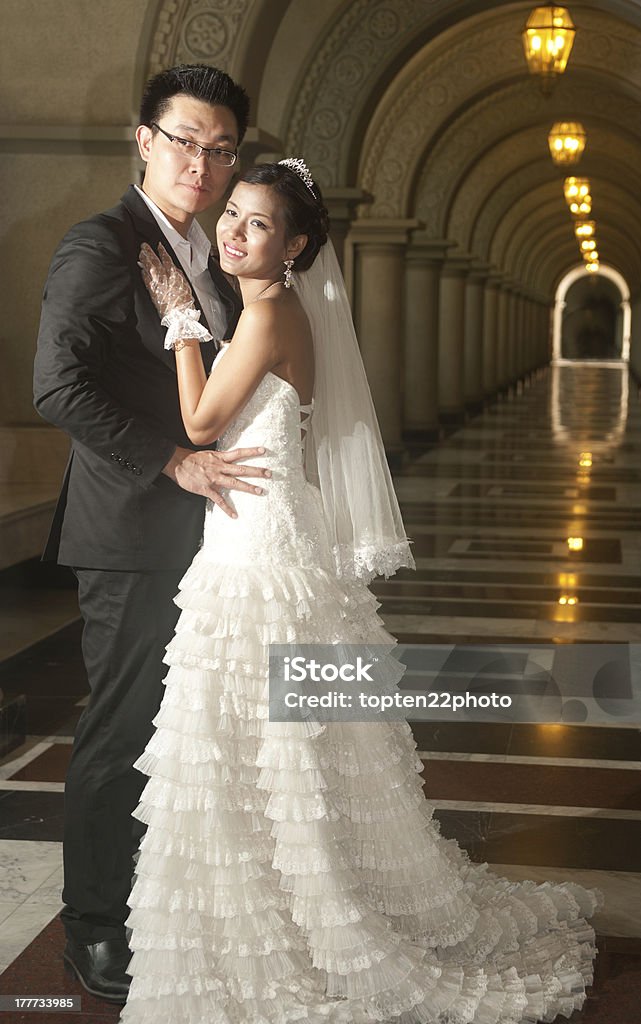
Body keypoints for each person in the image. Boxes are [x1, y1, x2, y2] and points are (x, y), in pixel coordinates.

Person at [120, 159, 600, 1024]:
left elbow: (197, 425)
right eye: (232, 214)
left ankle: (300, 906)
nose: (233, 230)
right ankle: (286, 889)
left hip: (259, 544)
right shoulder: (279, 308)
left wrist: (180, 321)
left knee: (263, 729)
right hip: (266, 524)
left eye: (257, 223)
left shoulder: (266, 314)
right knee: (279, 732)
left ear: (295, 245)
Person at [32, 64, 271, 1003]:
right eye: (183, 141)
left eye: (219, 150)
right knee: (121, 727)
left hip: (210, 534)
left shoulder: (213, 252)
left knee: (190, 730)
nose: (200, 165)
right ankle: (92, 924)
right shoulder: (99, 244)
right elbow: (58, 386)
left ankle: (164, 898)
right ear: (144, 139)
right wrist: (173, 462)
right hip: (130, 529)